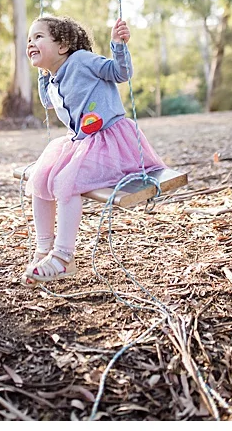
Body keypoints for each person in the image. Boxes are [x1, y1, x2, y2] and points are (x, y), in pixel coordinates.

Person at [21, 16, 165, 283]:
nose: (30, 43)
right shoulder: (52, 78)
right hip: (80, 141)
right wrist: (43, 73)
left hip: (109, 140)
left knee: (66, 182)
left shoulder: (82, 60)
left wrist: (118, 44)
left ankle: (64, 257)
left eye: (38, 37)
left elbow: (119, 73)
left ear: (62, 45)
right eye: (29, 39)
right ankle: (44, 249)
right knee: (40, 178)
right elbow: (48, 103)